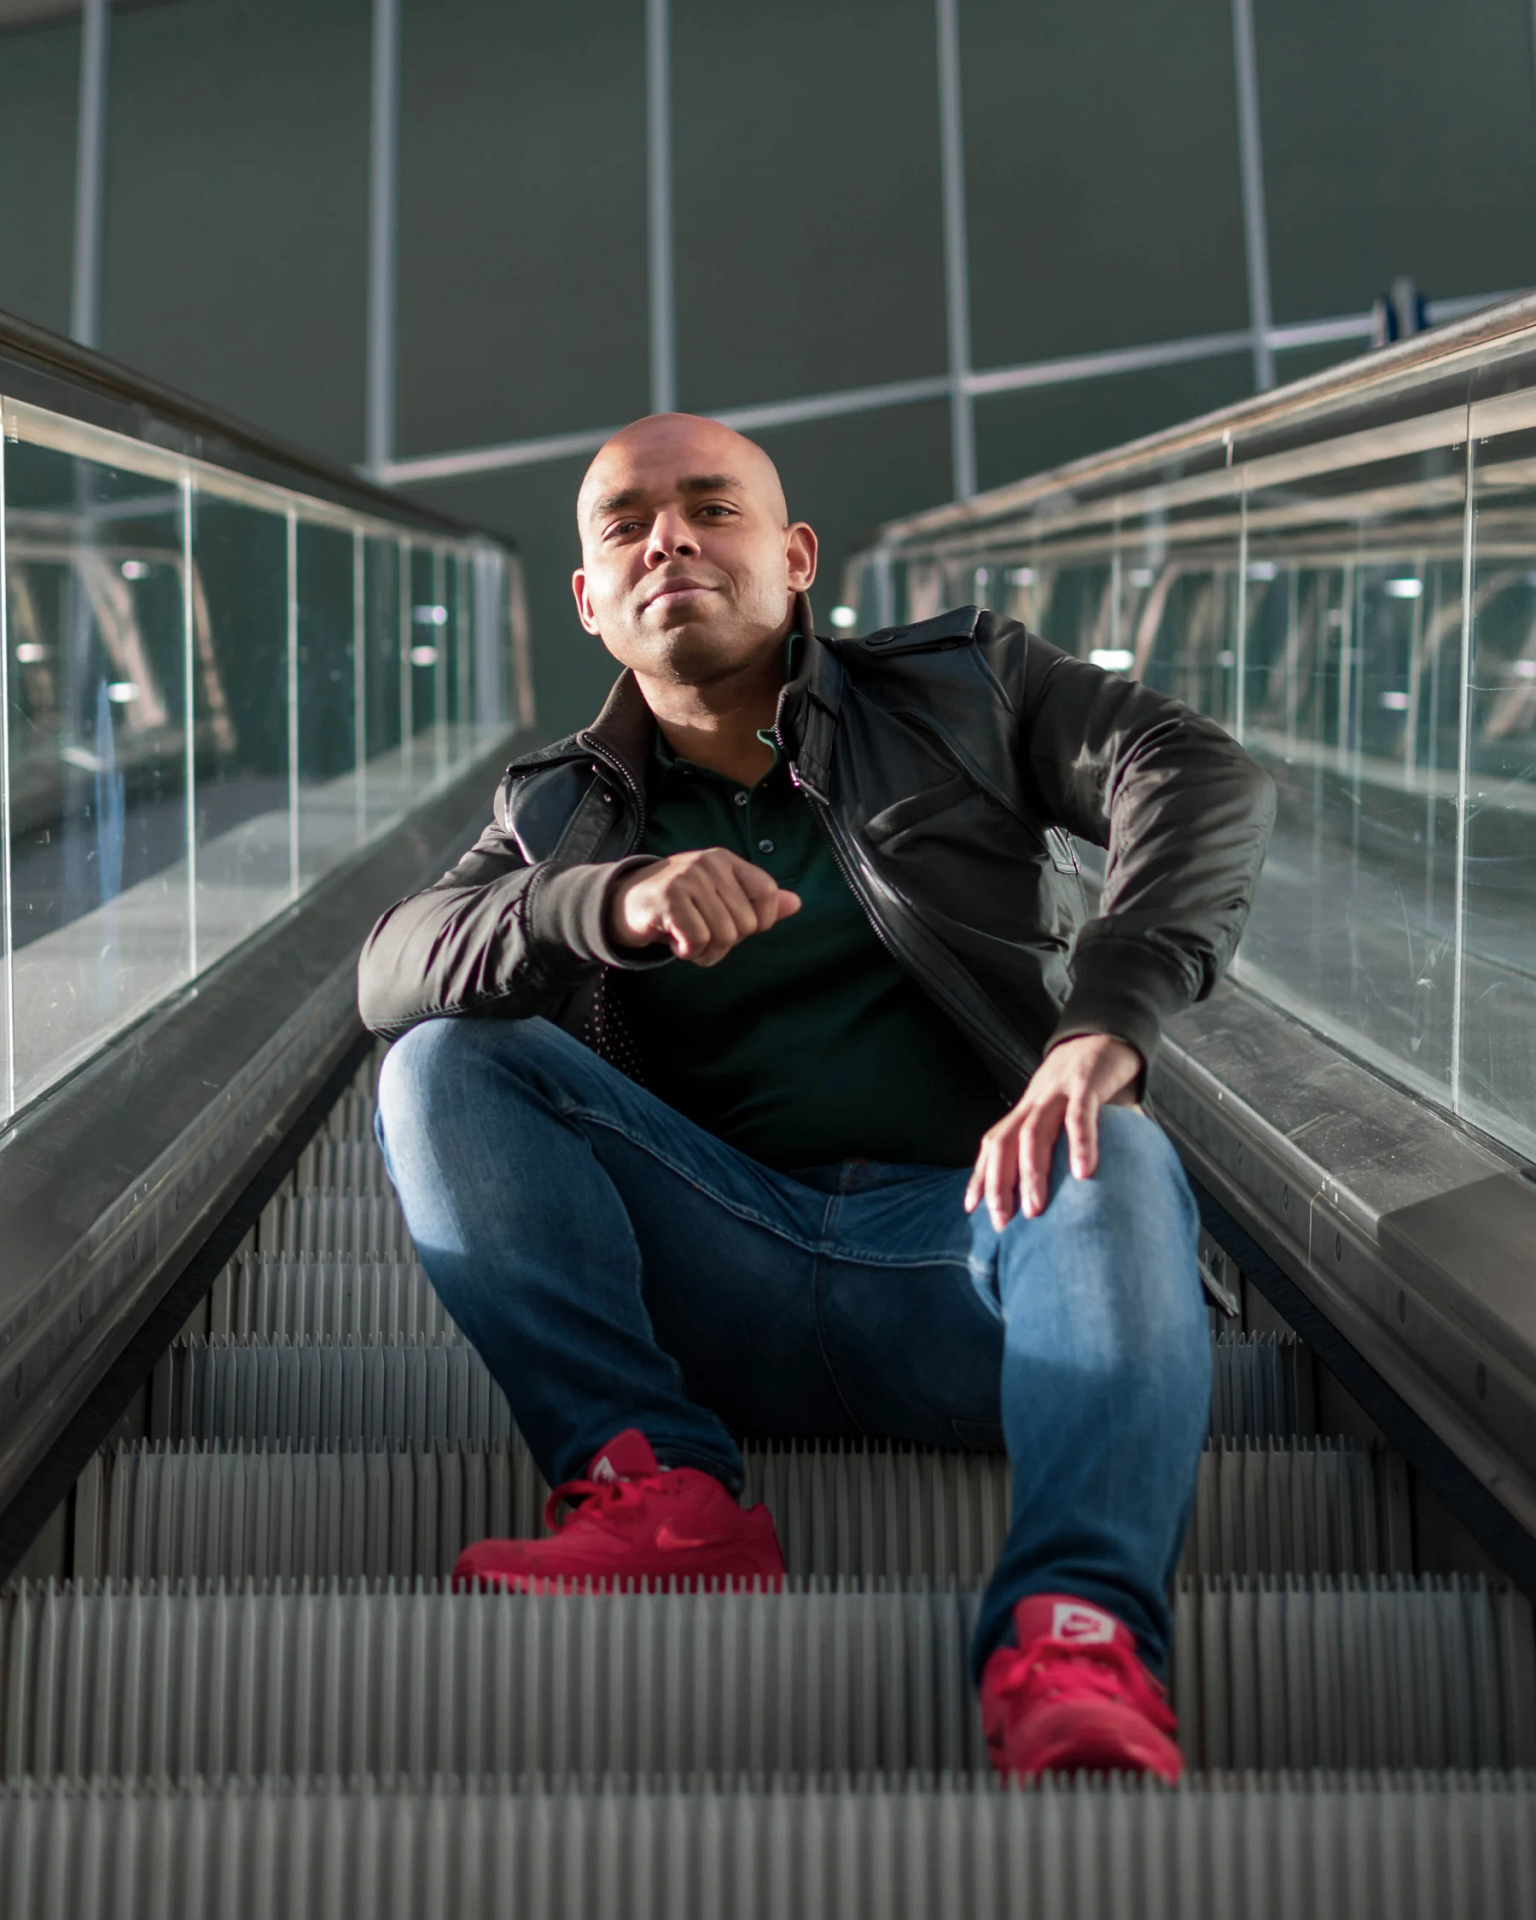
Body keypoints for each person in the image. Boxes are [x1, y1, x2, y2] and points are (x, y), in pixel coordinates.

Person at [361, 412, 1275, 1782]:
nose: (668, 539)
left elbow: (1192, 769)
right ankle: (664, 1499)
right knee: (441, 1059)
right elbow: (388, 968)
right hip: (717, 1276)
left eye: (711, 509)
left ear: (796, 559)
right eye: (626, 526)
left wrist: (1104, 1024)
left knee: (1117, 1153)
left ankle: (1075, 1635)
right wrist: (600, 901)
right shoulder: (559, 812)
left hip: (976, 1268)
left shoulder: (966, 689)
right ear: (590, 602)